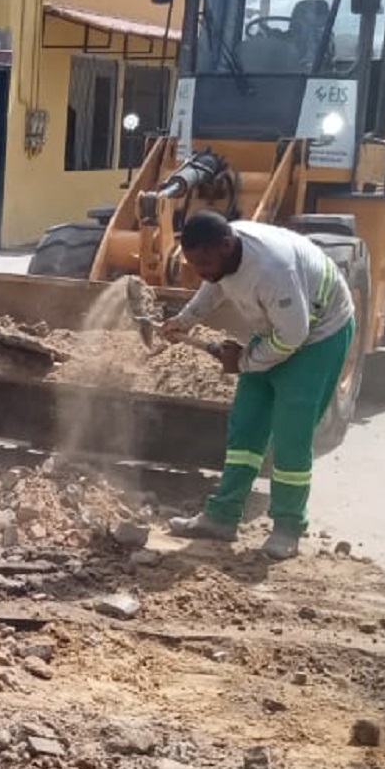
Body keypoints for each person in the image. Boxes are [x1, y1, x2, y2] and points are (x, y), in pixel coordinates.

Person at [157, 212, 354, 561]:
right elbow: (214, 283)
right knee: (246, 425)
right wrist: (185, 321)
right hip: (280, 328)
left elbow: (294, 336)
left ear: (227, 245)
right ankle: (222, 516)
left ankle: (288, 527)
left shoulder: (272, 270)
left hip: (319, 335)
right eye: (193, 263)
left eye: (204, 261)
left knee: (291, 433)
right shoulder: (222, 257)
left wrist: (245, 361)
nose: (199, 269)